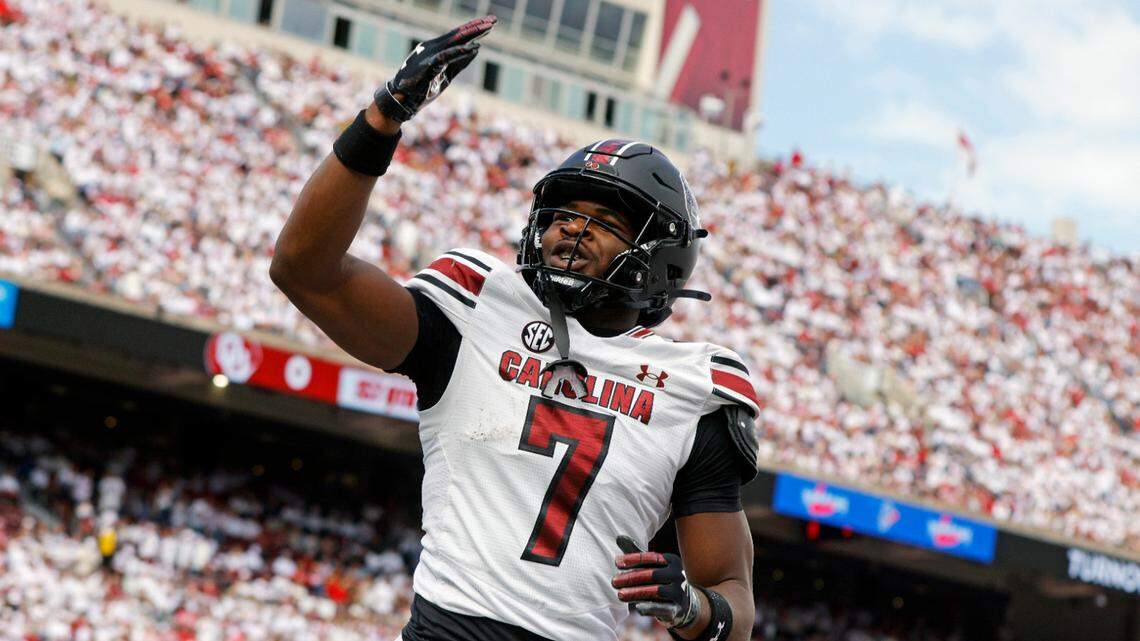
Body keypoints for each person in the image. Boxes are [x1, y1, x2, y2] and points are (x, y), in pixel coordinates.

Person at [271, 16, 759, 641]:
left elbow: (733, 602)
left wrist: (693, 606)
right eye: (564, 213)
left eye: (605, 220)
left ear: (660, 256)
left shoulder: (695, 388)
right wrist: (381, 120)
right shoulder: (477, 306)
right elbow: (304, 269)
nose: (571, 231)